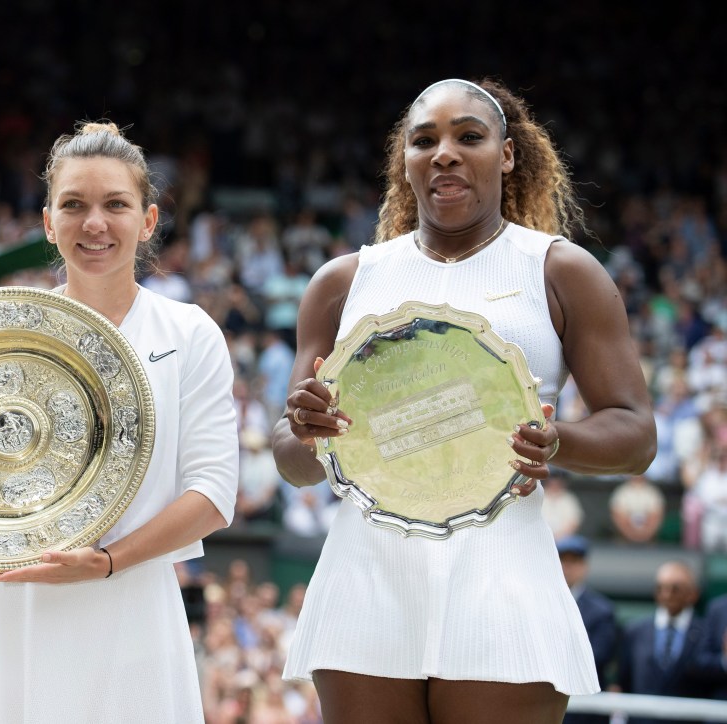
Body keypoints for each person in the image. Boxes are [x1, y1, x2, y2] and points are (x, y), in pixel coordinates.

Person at [271, 78, 657, 723]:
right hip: (366, 574)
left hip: (503, 572)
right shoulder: (342, 282)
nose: (444, 153)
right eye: (425, 140)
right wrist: (307, 430)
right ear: (406, 162)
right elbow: (293, 459)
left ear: (506, 155)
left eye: (468, 137)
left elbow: (637, 435)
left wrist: (557, 441)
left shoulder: (561, 271)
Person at [0, 121, 239, 723]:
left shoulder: (189, 333)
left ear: (149, 220)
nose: (95, 224)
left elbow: (214, 493)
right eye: (74, 205)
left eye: (116, 204)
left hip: (131, 606)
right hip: (12, 611)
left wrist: (108, 561)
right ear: (47, 221)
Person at [616, 560, 718, 724]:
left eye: (675, 589)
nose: (666, 594)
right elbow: (625, 682)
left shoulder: (706, 633)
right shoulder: (634, 632)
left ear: (693, 593)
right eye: (660, 588)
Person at [557, 535, 619, 724]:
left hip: (585, 709)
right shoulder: (539, 603)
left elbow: (596, 657)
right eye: (563, 560)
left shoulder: (602, 611)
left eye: (574, 561)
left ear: (584, 566)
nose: (567, 567)